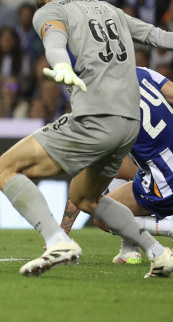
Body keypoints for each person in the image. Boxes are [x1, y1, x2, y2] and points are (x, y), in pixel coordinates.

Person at [0, 0, 173, 278]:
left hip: (97, 118)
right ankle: (158, 253)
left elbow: (54, 41)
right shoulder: (108, 9)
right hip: (129, 126)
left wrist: (60, 65)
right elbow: (155, 36)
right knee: (85, 197)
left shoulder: (50, 11)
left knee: (2, 169)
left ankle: (57, 241)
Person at [60, 67, 173, 265]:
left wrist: (60, 235)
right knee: (125, 173)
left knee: (103, 215)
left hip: (165, 183)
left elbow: (83, 186)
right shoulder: (139, 71)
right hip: (161, 168)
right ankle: (128, 249)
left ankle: (168, 227)